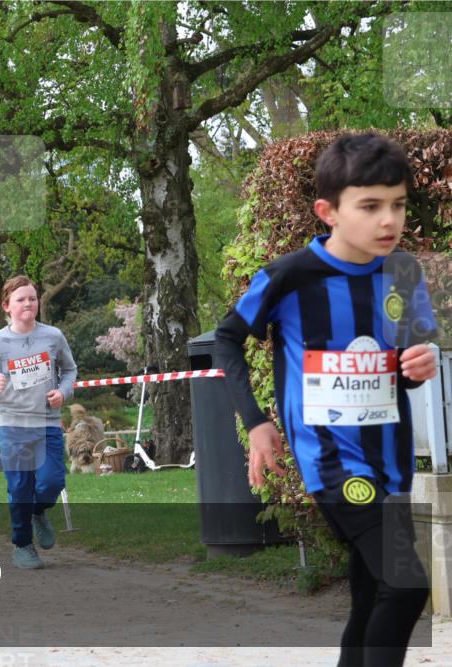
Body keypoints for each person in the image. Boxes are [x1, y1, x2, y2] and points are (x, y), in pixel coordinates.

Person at [214, 133, 437, 667]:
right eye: (370, 206)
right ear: (328, 211)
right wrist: (257, 422)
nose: (389, 220)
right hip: (331, 463)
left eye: (398, 205)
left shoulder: (405, 275)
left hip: (392, 463)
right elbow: (227, 338)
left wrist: (417, 365)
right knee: (405, 586)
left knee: (370, 596)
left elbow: (405, 371)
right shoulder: (287, 277)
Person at [0, 276, 77, 569]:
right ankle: (23, 545)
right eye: (21, 299)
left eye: (32, 298)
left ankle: (38, 511)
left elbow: (69, 370)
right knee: (19, 488)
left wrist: (63, 392)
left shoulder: (53, 336)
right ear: (7, 306)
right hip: (12, 423)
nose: (28, 303)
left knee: (52, 481)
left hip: (47, 422)